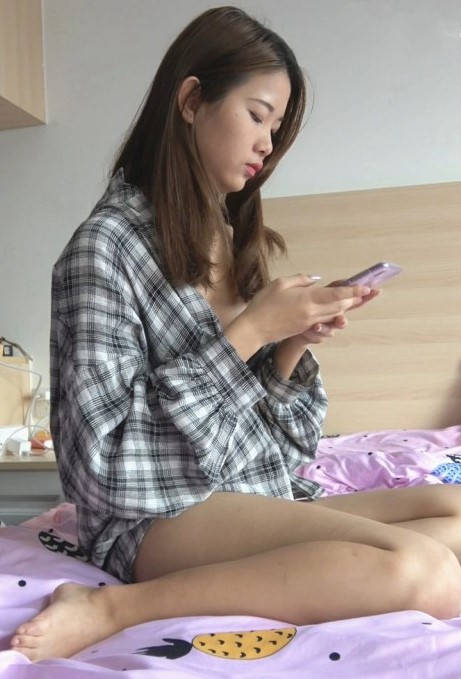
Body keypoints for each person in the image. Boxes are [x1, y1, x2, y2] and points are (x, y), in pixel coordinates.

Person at [10, 5, 461, 662]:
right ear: (192, 100)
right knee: (426, 571)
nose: (268, 146)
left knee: (455, 512)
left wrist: (289, 345)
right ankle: (110, 607)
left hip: (251, 489)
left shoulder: (227, 239)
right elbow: (102, 467)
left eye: (277, 129)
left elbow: (278, 445)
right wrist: (249, 330)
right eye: (257, 116)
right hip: (157, 513)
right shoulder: (102, 251)